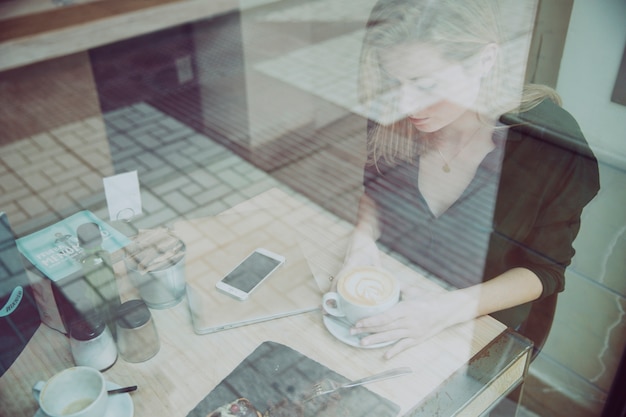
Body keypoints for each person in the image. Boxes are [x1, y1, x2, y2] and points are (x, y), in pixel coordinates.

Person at [342, 0, 600, 359]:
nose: (405, 103)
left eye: (426, 84)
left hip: (485, 330)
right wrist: (362, 240)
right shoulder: (393, 114)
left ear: (485, 60)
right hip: (398, 304)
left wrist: (444, 311)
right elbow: (377, 191)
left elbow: (546, 269)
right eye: (392, 81)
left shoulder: (551, 147)